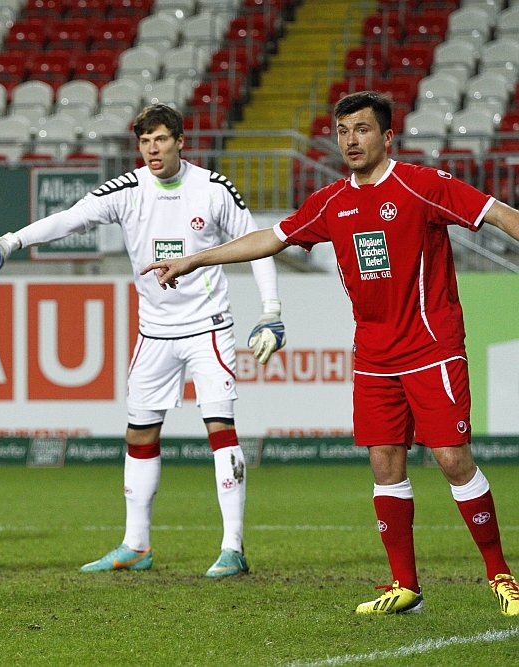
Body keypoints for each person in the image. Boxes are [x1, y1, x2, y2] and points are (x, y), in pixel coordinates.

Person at [142, 91, 519, 616]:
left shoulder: (421, 185)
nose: (351, 140)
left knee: (453, 460)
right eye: (343, 131)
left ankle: (502, 575)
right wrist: (197, 260)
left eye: (362, 129)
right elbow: (269, 239)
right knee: (385, 464)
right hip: (373, 357)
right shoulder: (331, 201)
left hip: (432, 350)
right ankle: (403, 586)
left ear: (387, 136)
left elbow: (499, 213)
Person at [0, 103, 286, 577]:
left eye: (160, 139)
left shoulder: (213, 190)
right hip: (154, 334)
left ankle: (232, 547)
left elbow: (261, 245)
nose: (152, 149)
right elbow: (70, 219)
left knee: (220, 428)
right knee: (139, 432)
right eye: (144, 142)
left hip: (209, 329)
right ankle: (136, 546)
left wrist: (271, 312)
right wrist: (9, 242)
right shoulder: (129, 190)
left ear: (180, 140)